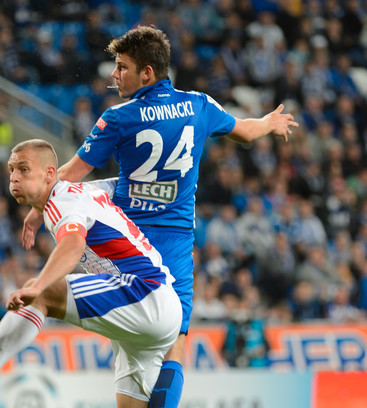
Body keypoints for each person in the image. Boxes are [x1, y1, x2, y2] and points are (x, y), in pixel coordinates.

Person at [21, 26, 299, 408]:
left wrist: (39, 211)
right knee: (174, 347)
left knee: (133, 356)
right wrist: (270, 122)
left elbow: (68, 174)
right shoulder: (199, 105)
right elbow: (245, 132)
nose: (114, 75)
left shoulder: (118, 118)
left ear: (146, 73)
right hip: (176, 248)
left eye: (122, 67)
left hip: (126, 247)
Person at [0, 139, 181, 408]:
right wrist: (37, 211)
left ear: (49, 174)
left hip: (145, 293)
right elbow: (120, 185)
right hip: (152, 311)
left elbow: (74, 244)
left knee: (43, 295)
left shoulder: (62, 202)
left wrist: (39, 286)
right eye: (11, 170)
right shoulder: (78, 192)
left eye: (23, 169)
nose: (13, 178)